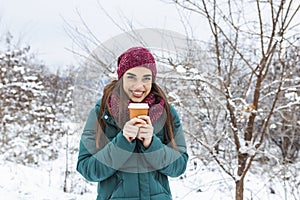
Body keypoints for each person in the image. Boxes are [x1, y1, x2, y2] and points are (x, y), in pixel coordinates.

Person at [77, 46, 188, 200]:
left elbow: (179, 166)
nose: (139, 85)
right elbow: (87, 169)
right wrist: (122, 142)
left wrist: (151, 144)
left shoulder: (166, 112)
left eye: (146, 78)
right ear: (121, 77)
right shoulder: (103, 112)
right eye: (131, 77)